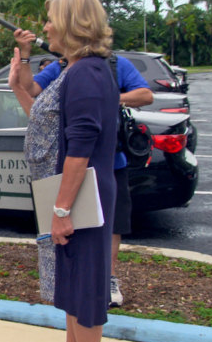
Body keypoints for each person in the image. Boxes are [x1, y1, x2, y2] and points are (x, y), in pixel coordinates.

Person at [12, 0, 119, 342]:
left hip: (81, 196)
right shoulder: (74, 69)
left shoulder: (88, 73)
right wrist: (19, 83)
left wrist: (60, 211)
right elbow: (46, 120)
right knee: (72, 282)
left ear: (73, 23)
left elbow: (80, 150)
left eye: (52, 17)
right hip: (73, 193)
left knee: (87, 286)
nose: (45, 26)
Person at [12, 33, 153, 309]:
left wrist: (107, 97)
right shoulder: (62, 68)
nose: (47, 28)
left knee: (110, 225)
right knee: (76, 231)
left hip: (111, 163)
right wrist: (25, 55)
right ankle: (78, 288)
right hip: (69, 163)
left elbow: (145, 95)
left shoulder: (113, 65)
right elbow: (31, 90)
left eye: (53, 23)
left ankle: (108, 279)